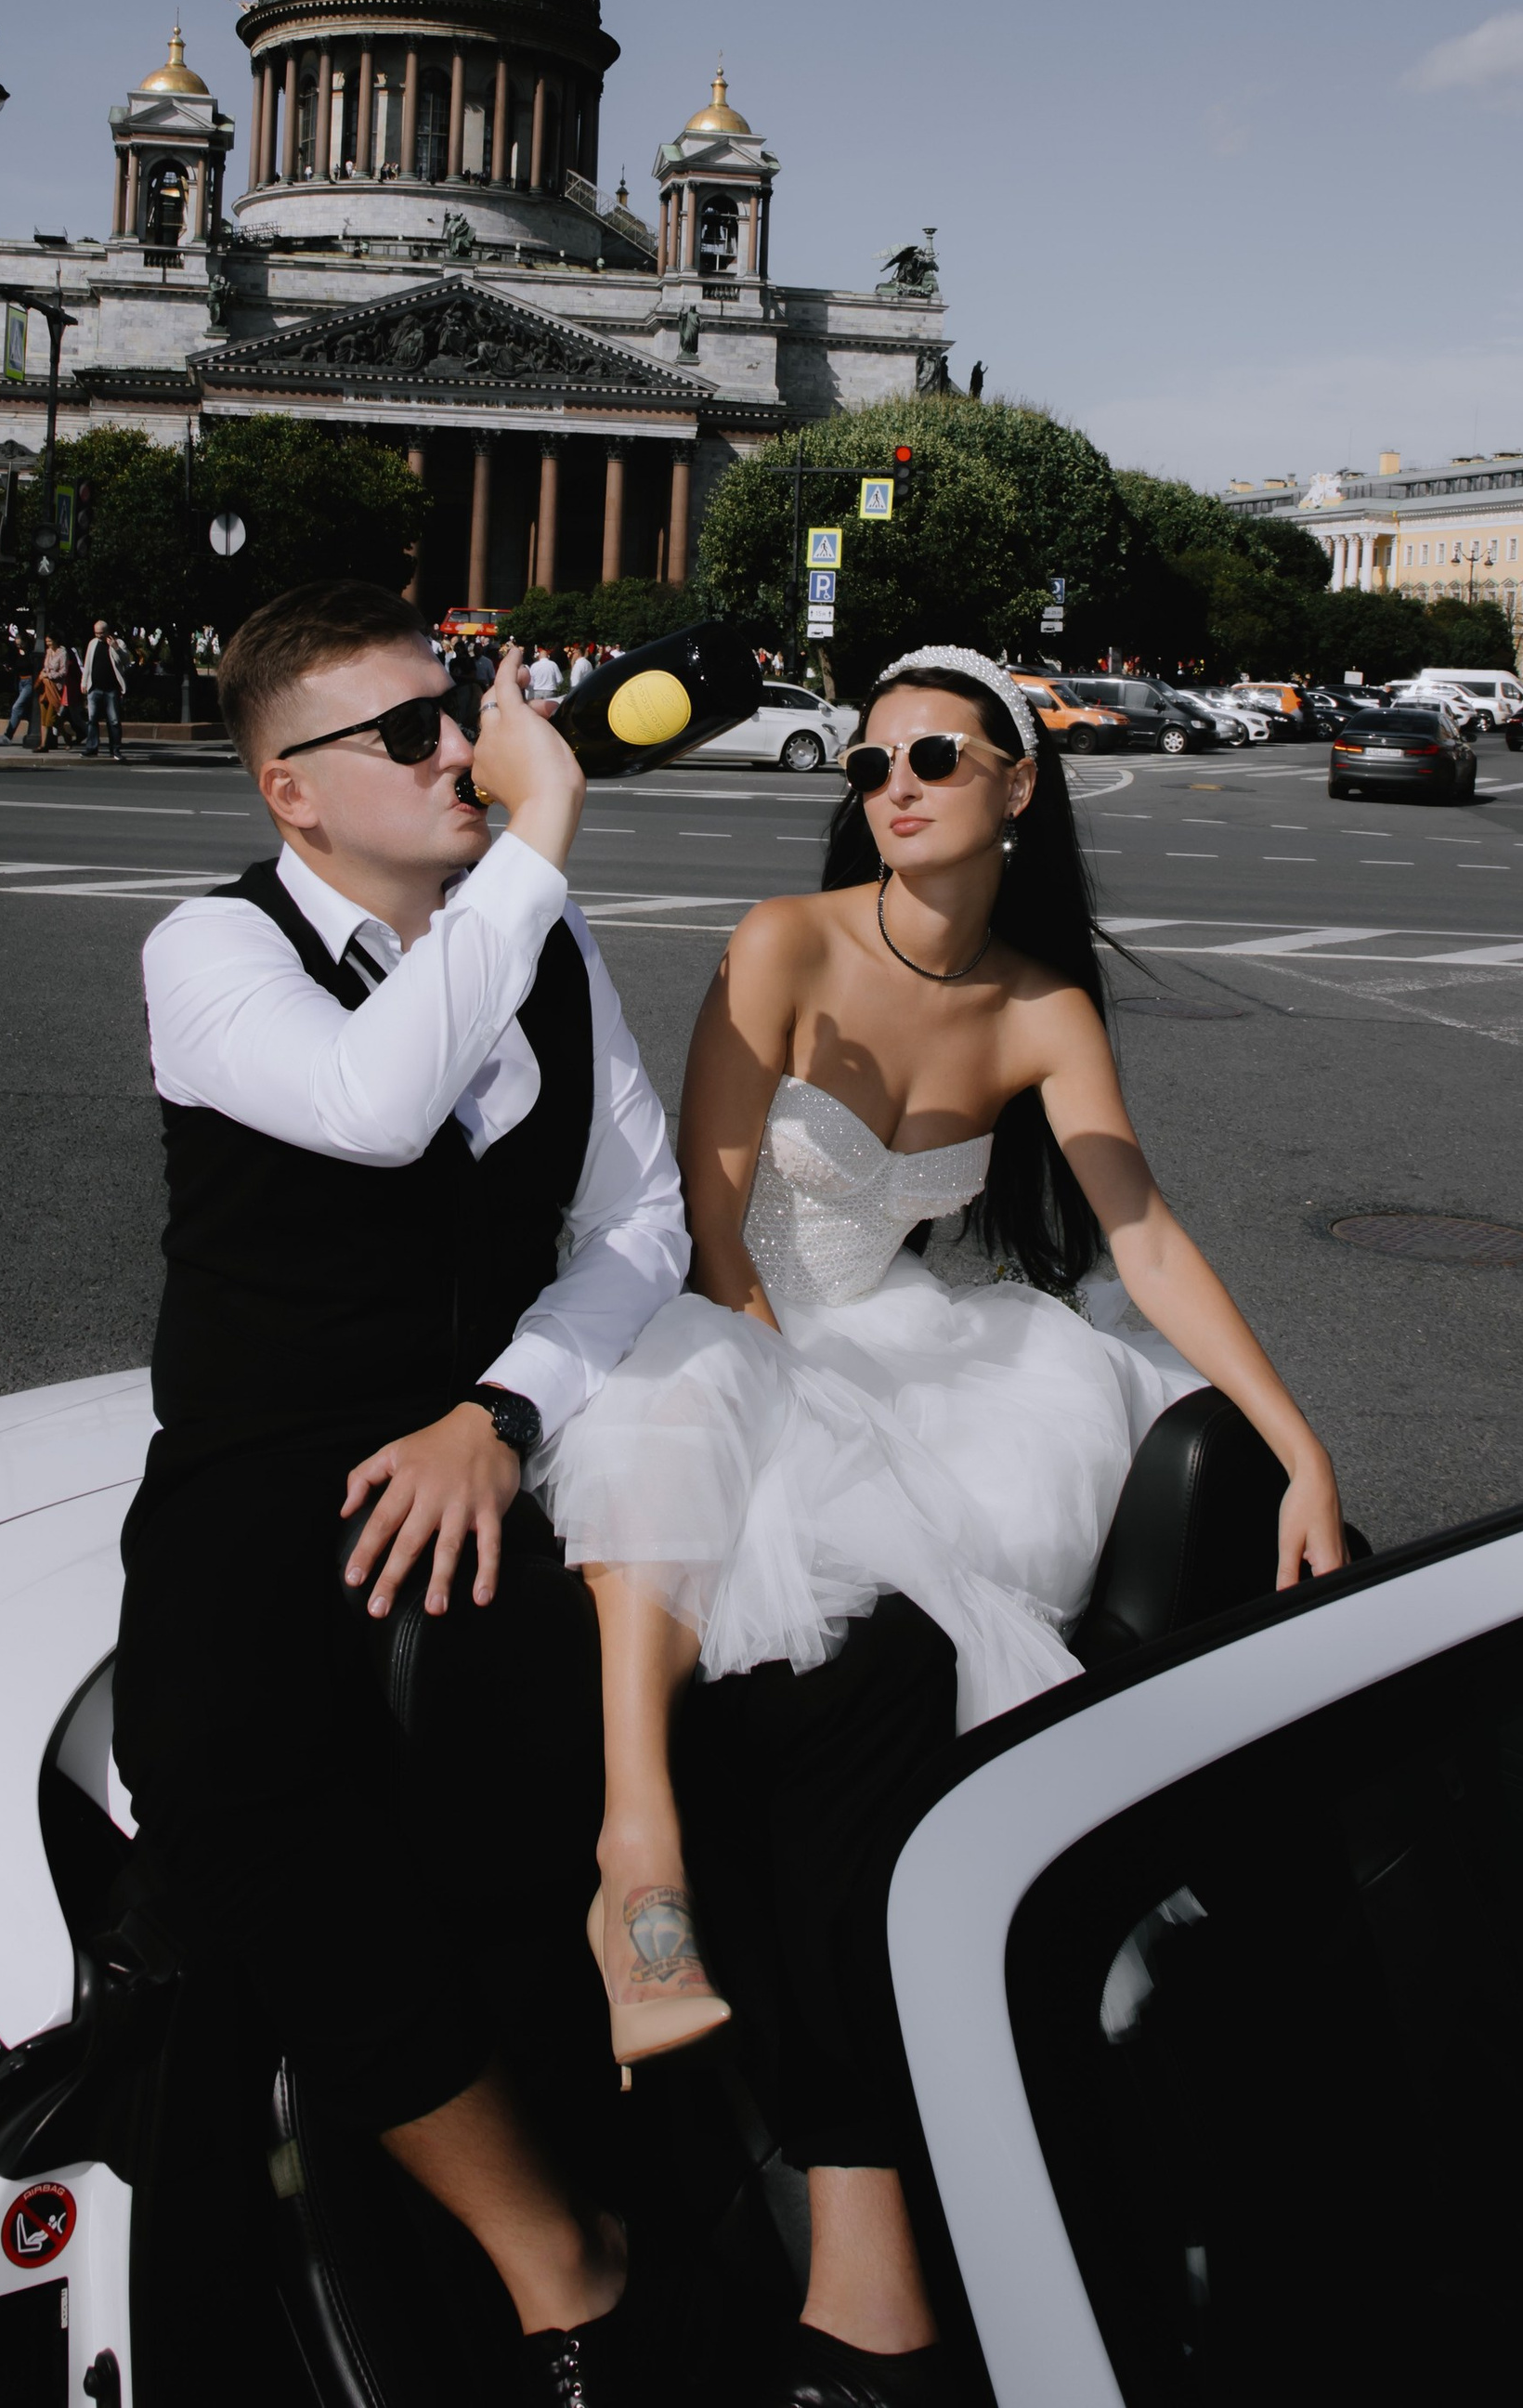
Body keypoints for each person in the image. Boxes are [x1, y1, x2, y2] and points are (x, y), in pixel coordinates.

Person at [111, 585, 966, 2406]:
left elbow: (639, 1227)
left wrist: (499, 1412)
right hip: (278, 1442)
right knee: (219, 1753)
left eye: (461, 711)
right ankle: (559, 2257)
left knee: (862, 1670)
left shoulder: (538, 939)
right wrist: (540, 832)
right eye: (405, 733)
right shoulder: (207, 950)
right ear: (291, 792)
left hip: (521, 1422)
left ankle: (865, 2246)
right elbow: (361, 1102)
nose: (457, 748)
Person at [536, 646, 1343, 2388]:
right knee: (687, 1415)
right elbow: (716, 1222)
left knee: (893, 1697)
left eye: (934, 757)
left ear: (1017, 788)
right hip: (742, 1322)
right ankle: (637, 1855)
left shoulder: (1047, 1006)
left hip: (931, 1367)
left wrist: (1299, 1443)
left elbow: (1139, 1235)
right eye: (873, 758)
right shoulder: (785, 940)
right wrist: (790, 1402)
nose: (890, 783)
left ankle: (891, 2185)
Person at [79, 618, 126, 758]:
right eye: (96, 633)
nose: (99, 636)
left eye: (101, 633)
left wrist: (115, 648)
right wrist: (84, 682)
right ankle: (92, 747)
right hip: (95, 687)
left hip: (111, 688)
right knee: (92, 719)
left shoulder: (119, 643)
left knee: (114, 720)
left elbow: (125, 661)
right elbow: (88, 664)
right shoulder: (93, 644)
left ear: (107, 632)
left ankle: (115, 749)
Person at [2, 622, 44, 746]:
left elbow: (32, 667)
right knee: (26, 710)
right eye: (17, 644)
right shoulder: (15, 653)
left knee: (17, 707)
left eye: (21, 644)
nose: (19, 647)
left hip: (29, 682)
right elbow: (12, 664)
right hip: (20, 682)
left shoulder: (31, 653)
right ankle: (29, 732)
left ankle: (8, 735)